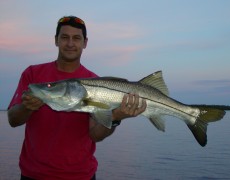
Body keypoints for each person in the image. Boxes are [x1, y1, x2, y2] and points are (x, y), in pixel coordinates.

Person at [7, 16, 147, 180]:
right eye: (65, 37)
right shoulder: (33, 74)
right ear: (56, 40)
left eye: (76, 38)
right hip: (33, 174)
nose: (70, 44)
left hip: (81, 175)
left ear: (85, 43)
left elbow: (96, 135)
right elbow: (12, 120)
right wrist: (26, 107)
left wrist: (115, 117)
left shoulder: (96, 82)